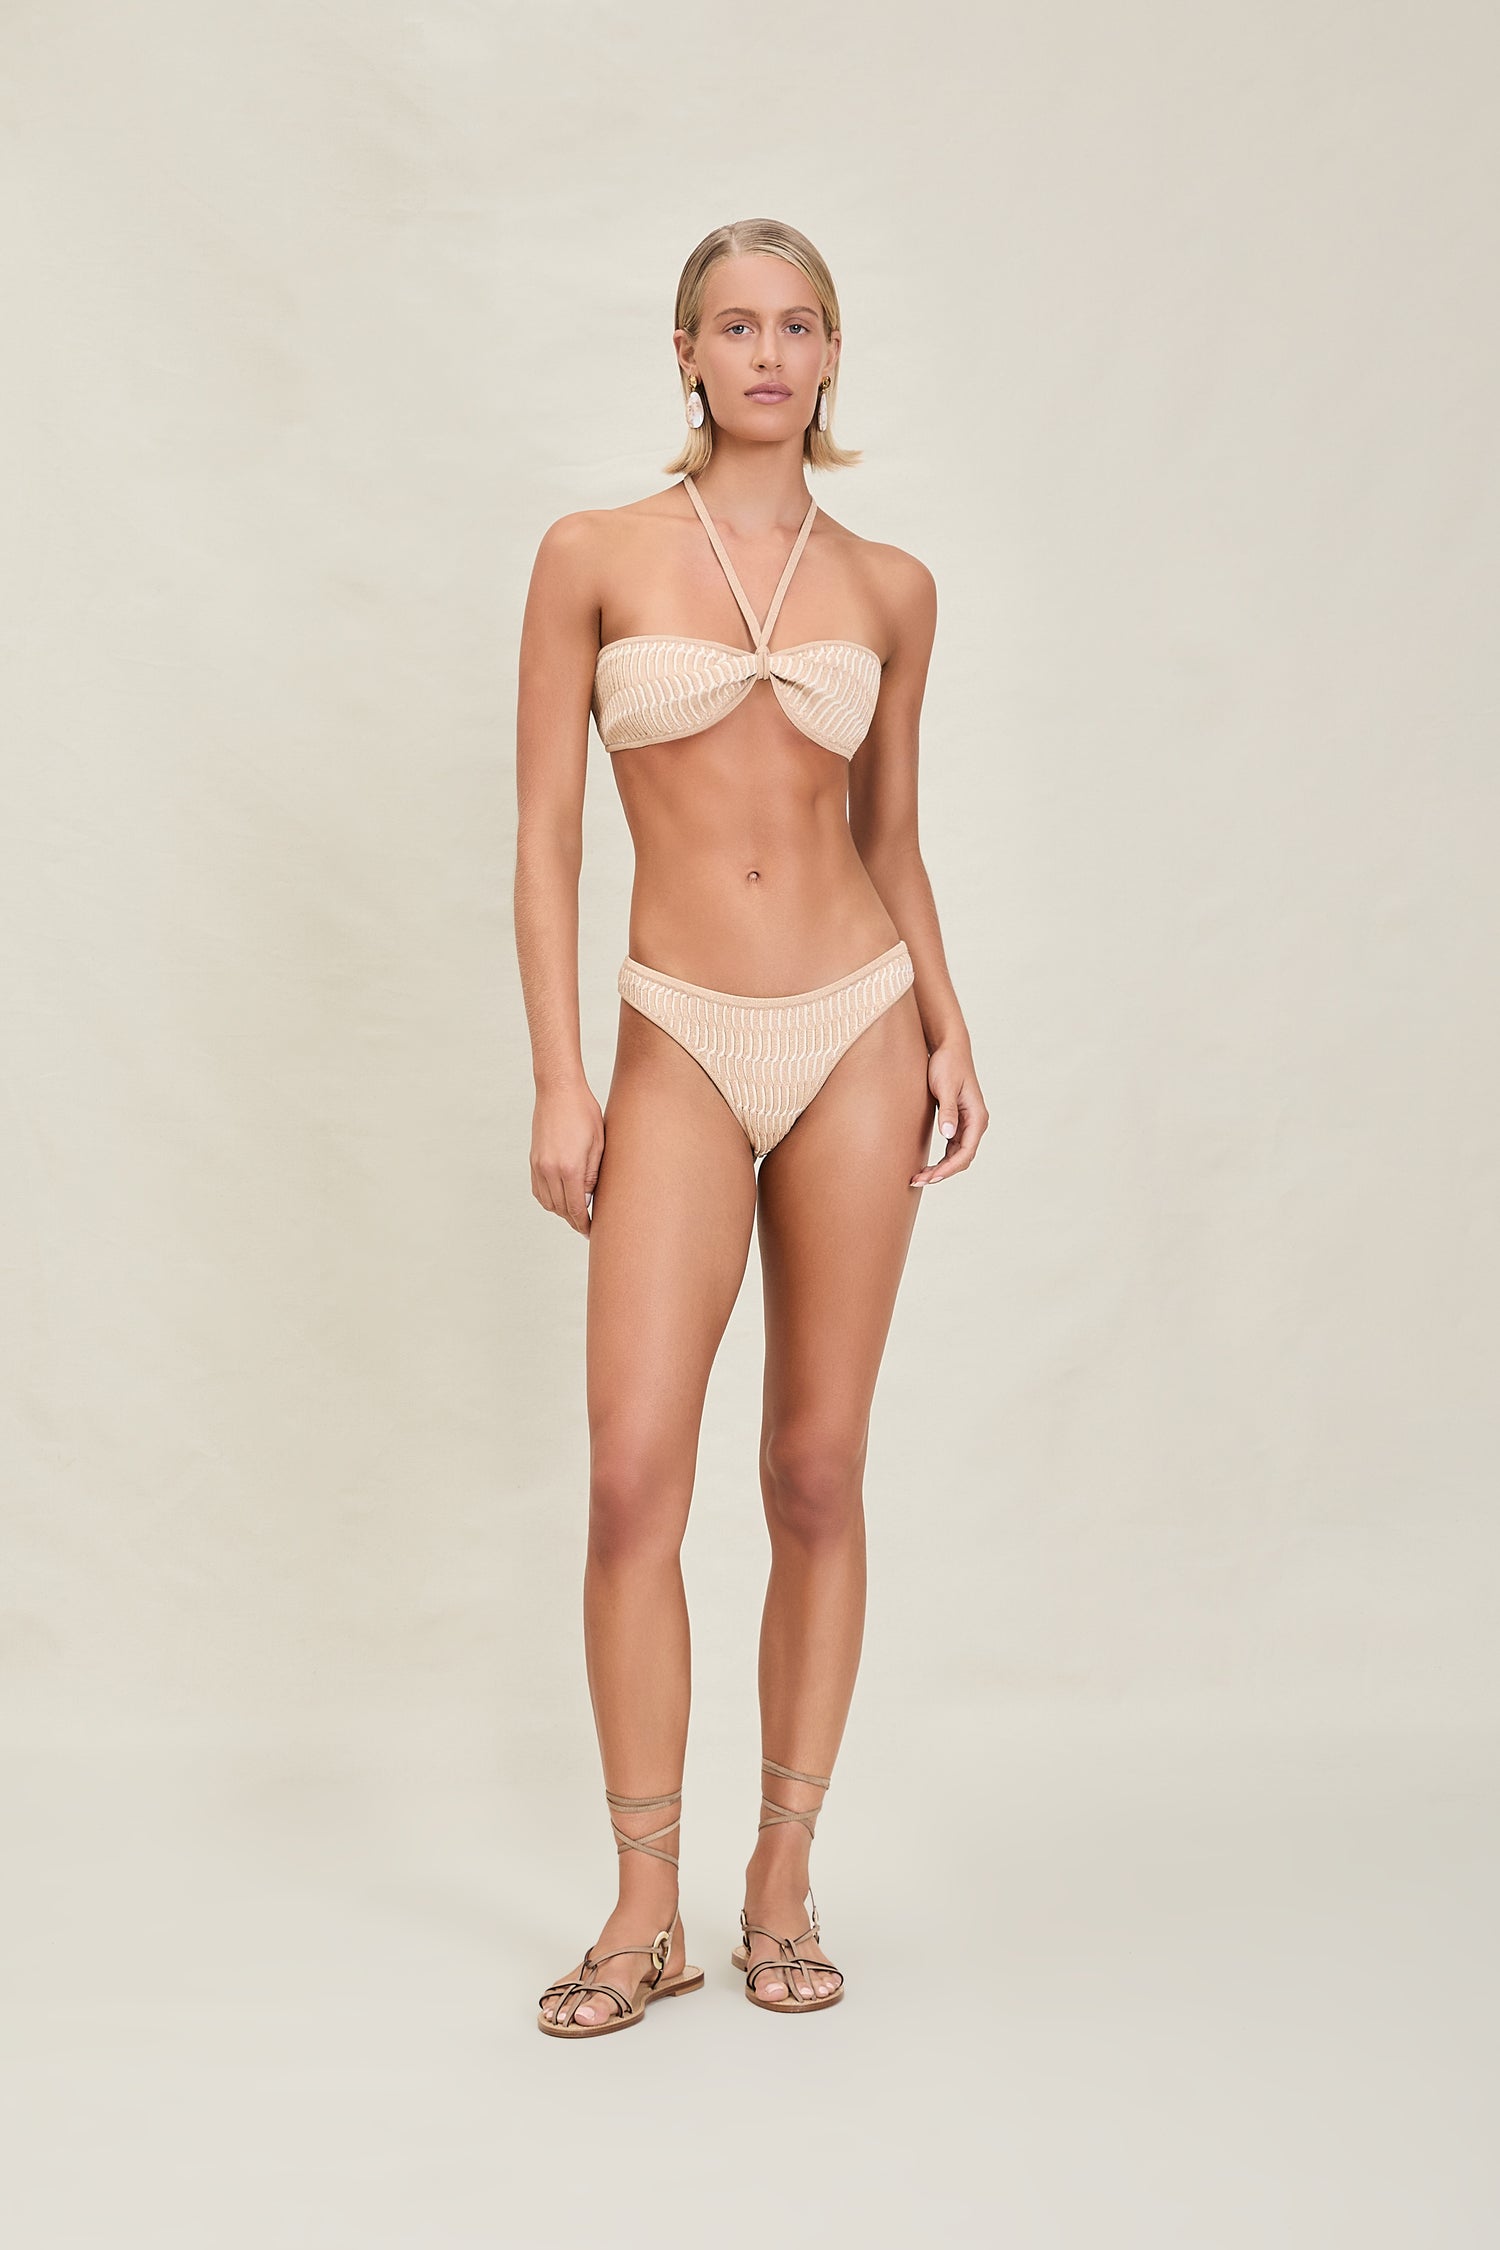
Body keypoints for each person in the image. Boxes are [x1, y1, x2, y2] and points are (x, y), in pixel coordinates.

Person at [513, 217, 988, 2038]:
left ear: (834, 351)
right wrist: (562, 1073)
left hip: (860, 1020)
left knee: (814, 1469)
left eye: (799, 324)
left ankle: (781, 1879)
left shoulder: (893, 587)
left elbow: (892, 838)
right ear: (687, 353)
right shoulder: (592, 555)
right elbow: (548, 839)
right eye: (736, 325)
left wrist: (949, 1019)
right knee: (635, 1475)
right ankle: (644, 1905)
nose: (769, 353)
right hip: (676, 1034)